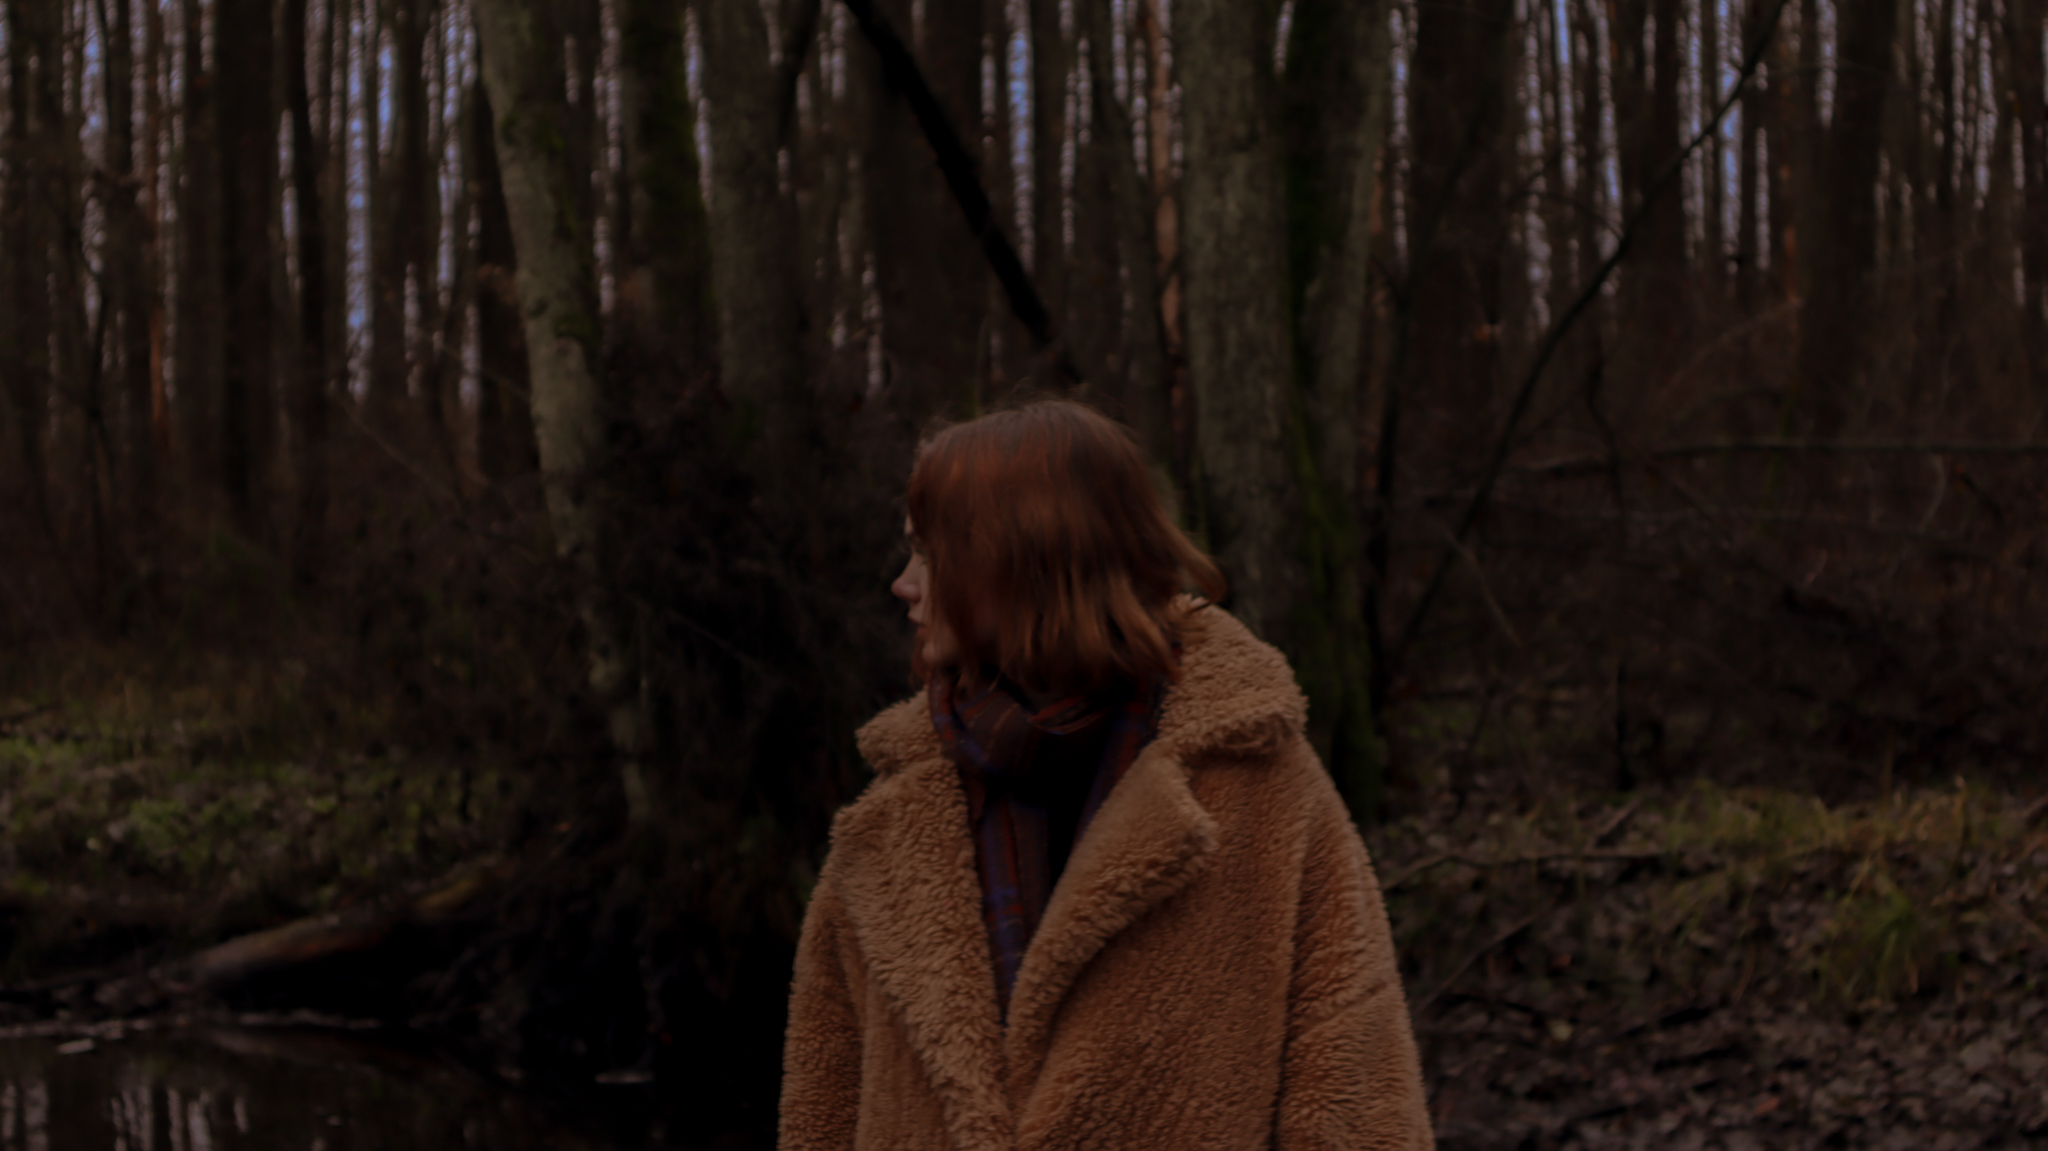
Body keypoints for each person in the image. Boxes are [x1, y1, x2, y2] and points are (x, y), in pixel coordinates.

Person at [778, 400, 1434, 1151]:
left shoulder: (1257, 791)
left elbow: (1360, 1103)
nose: (904, 583)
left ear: (1023, 556)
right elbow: (821, 1111)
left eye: (929, 553)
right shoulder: (888, 822)